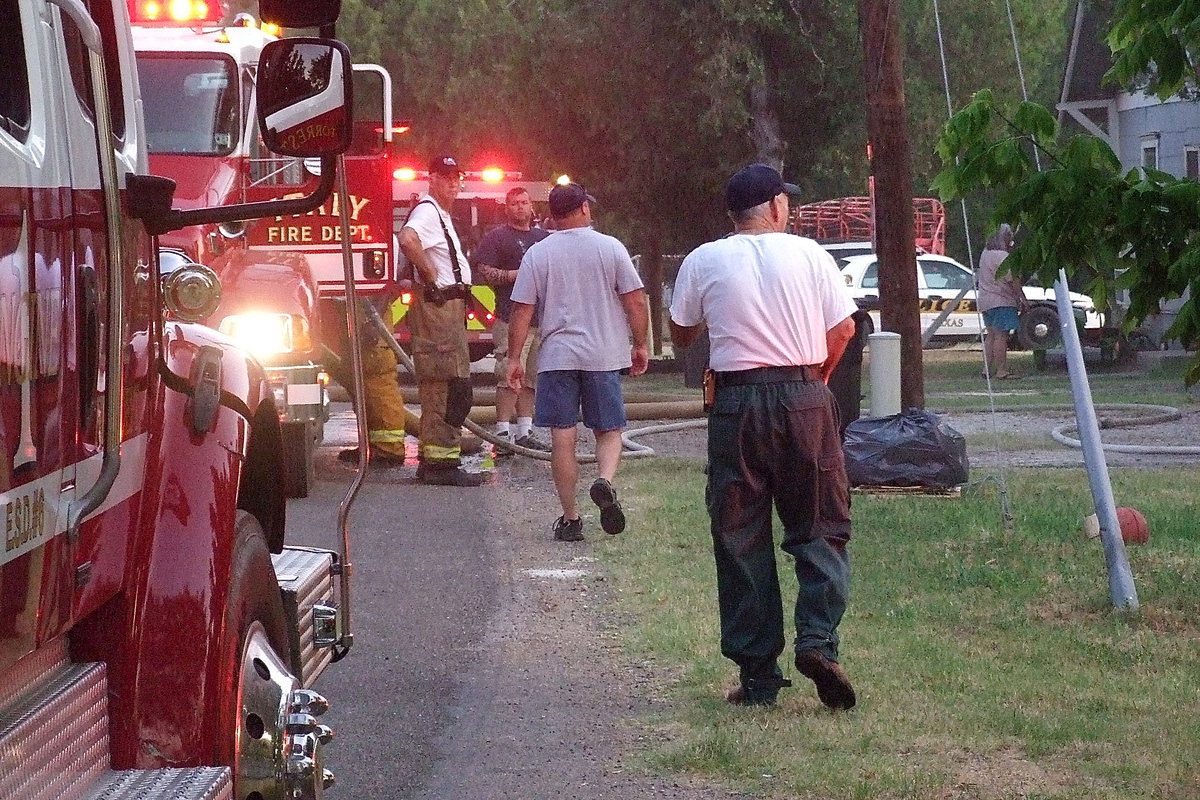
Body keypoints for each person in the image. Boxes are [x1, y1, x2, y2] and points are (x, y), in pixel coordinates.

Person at [668, 163, 859, 710]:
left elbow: (682, 332)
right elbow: (844, 328)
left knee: (740, 534)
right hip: (804, 397)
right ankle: (818, 643)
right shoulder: (810, 254)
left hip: (736, 402)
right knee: (820, 524)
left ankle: (758, 677)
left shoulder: (703, 259)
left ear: (733, 214)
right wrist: (817, 378)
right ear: (775, 206)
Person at [506, 183, 649, 541]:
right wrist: (641, 344)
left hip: (557, 357)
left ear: (552, 214)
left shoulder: (538, 254)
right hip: (603, 355)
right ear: (584, 208)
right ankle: (604, 480)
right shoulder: (611, 248)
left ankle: (570, 519)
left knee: (562, 438)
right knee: (609, 431)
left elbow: (522, 310)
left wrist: (514, 358)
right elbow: (634, 300)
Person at [398, 155, 485, 487]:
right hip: (439, 309)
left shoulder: (439, 214)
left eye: (456, 176)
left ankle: (436, 459)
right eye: (445, 176)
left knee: (452, 385)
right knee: (446, 385)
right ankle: (441, 465)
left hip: (448, 309)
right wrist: (431, 277)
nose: (453, 182)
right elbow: (407, 239)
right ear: (430, 179)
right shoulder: (427, 212)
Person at [472, 187, 551, 454]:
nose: (519, 207)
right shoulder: (496, 238)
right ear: (506, 208)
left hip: (539, 319)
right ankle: (502, 432)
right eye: (514, 203)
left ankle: (525, 431)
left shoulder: (543, 238)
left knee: (530, 377)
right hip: (508, 317)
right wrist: (516, 276)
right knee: (508, 375)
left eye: (524, 202)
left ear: (532, 207)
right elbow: (483, 271)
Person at [977, 223, 1024, 380]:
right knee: (1001, 336)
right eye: (1009, 235)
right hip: (1001, 300)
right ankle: (1001, 371)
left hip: (985, 300)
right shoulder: (1003, 257)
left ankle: (986, 369)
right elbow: (1012, 281)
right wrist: (1022, 298)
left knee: (991, 336)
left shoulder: (985, 254)